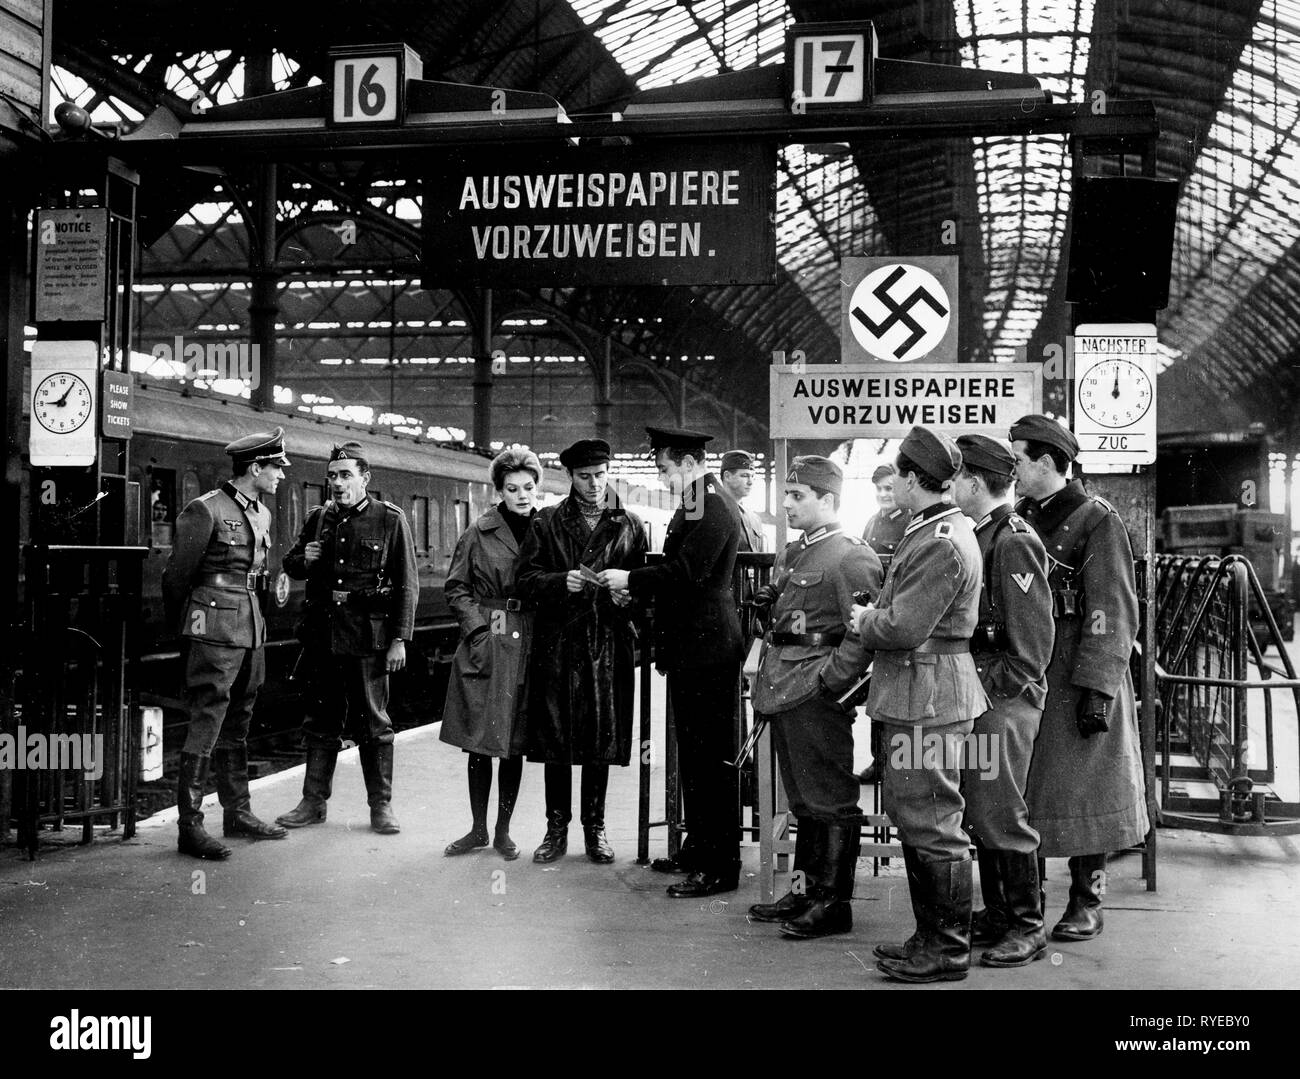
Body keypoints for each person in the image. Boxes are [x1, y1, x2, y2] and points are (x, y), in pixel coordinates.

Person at [850, 426, 988, 983]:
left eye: (897, 476)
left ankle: (946, 949)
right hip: (922, 692)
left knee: (933, 822)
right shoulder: (935, 529)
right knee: (918, 817)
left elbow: (904, 627)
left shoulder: (939, 540)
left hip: (927, 695)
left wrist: (865, 620)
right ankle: (929, 938)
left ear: (911, 479)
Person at [1010, 414, 1150, 942]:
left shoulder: (1097, 520)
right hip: (1030, 673)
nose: (1012, 470)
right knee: (1027, 792)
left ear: (1047, 462)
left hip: (1078, 676)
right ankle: (1028, 903)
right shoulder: (1021, 516)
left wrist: (1098, 688)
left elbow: (1112, 610)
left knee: (1088, 792)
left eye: (1018, 460)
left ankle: (1087, 901)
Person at [600, 426, 744, 899]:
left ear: (687, 463)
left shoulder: (713, 506)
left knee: (711, 760)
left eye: (664, 469)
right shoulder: (697, 503)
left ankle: (719, 867)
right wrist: (636, 589)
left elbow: (687, 572)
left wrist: (630, 579)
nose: (661, 478)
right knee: (695, 757)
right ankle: (699, 849)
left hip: (708, 649)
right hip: (694, 648)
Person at [747, 456, 881, 938]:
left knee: (831, 798)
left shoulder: (851, 556)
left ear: (828, 500)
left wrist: (832, 682)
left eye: (797, 496)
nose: (786, 504)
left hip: (815, 691)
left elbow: (861, 632)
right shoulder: (795, 552)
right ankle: (805, 893)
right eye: (786, 494)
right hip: (783, 685)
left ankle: (832, 904)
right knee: (803, 799)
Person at [947, 434, 1054, 967]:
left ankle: (1027, 926)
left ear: (973, 482)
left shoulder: (1012, 540)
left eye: (956, 477)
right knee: (982, 811)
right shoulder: (982, 534)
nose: (950, 486)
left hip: (1004, 697)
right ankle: (997, 912)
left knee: (1001, 813)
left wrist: (995, 692)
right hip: (983, 693)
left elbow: (1032, 645)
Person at [515, 439, 647, 864]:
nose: (594, 484)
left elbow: (645, 583)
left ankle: (595, 829)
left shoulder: (629, 524)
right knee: (557, 741)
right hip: (559, 646)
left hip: (607, 644)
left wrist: (630, 596)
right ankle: (556, 830)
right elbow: (524, 580)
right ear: (570, 477)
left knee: (599, 741)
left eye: (600, 475)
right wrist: (560, 582)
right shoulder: (547, 521)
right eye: (585, 477)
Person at [276, 441, 417, 835]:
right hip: (323, 638)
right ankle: (313, 803)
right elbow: (291, 564)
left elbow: (407, 585)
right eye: (332, 476)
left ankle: (381, 806)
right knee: (320, 722)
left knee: (374, 724)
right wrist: (306, 559)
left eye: (345, 476)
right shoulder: (318, 517)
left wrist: (399, 639)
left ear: (364, 478)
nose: (337, 484)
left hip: (367, 639)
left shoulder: (389, 519)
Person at [163, 429, 292, 859]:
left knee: (239, 717)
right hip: (214, 626)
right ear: (255, 468)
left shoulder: (261, 513)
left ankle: (237, 813)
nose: (280, 476)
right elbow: (177, 577)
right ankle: (190, 826)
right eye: (275, 468)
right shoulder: (206, 509)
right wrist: (187, 629)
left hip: (250, 625)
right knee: (208, 717)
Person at [440, 447, 542, 861]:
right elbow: (456, 586)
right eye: (512, 488)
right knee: (481, 741)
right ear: (499, 491)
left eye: (528, 487)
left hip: (529, 638)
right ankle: (478, 829)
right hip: (490, 636)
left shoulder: (547, 529)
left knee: (513, 743)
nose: (522, 495)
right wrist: (477, 629)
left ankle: (503, 832)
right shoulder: (478, 531)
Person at [857, 463, 910, 784]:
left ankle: (893, 764)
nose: (883, 494)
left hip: (896, 616)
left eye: (889, 488)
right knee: (879, 691)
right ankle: (880, 760)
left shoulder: (909, 523)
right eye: (878, 489)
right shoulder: (871, 523)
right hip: (876, 615)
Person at [720, 449, 765, 553]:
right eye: (745, 476)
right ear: (727, 476)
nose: (750, 482)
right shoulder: (714, 513)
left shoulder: (755, 519)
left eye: (752, 476)